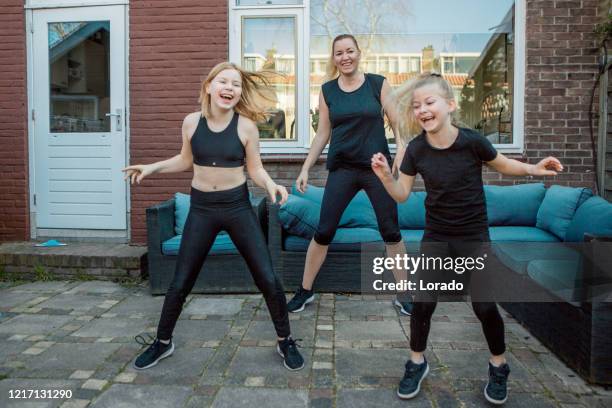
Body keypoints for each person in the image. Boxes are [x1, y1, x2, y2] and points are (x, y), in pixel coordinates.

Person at [370, 72, 563, 405]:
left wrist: (533, 169)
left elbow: (503, 166)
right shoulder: (416, 149)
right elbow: (401, 194)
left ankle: (498, 365)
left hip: (473, 236)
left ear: (449, 105)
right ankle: (417, 361)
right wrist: (387, 177)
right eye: (417, 105)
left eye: (429, 102)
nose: (422, 110)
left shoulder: (472, 142)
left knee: (485, 305)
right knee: (422, 304)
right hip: (437, 236)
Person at [123, 62, 304, 371]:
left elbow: (256, 169)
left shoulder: (245, 126)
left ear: (239, 93)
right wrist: (152, 167)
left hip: (237, 208)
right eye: (223, 81)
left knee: (267, 277)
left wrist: (271, 184)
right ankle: (163, 342)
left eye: (235, 84)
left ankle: (285, 340)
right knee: (180, 280)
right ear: (208, 86)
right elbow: (185, 160)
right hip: (202, 209)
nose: (229, 88)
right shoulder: (191, 122)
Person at [287, 34, 413, 315]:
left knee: (391, 231)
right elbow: (323, 133)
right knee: (324, 231)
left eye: (349, 51)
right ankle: (305, 290)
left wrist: (402, 147)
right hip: (342, 168)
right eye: (339, 53)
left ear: (359, 53)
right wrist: (306, 167)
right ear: (334, 59)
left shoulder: (377, 84)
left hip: (376, 170)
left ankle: (404, 293)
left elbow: (397, 120)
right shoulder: (328, 90)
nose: (345, 57)